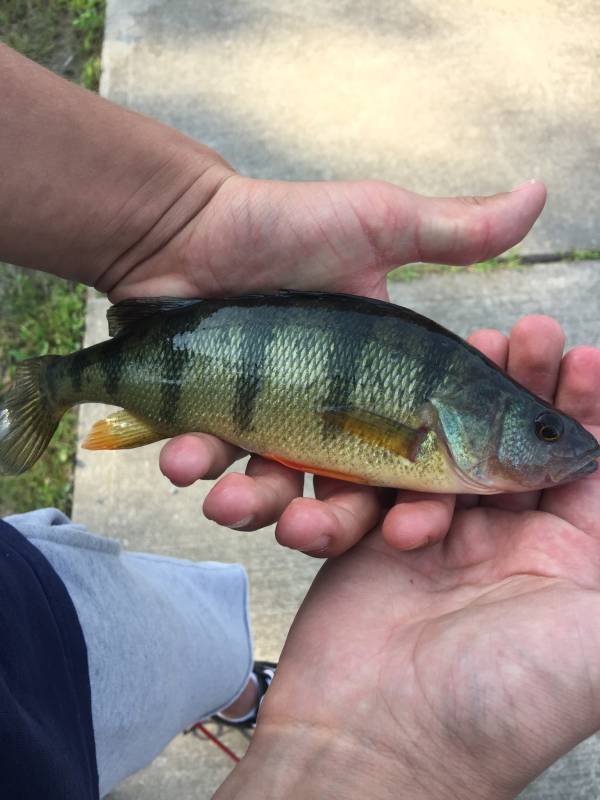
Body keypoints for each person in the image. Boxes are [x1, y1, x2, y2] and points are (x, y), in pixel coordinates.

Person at [1, 42, 599, 798]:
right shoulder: (430, 432)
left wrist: (177, 220)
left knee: (185, 638)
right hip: (51, 651)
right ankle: (238, 687)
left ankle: (234, 685)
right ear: (473, 416)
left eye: (547, 432)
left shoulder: (443, 424)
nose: (558, 443)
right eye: (542, 430)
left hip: (45, 604)